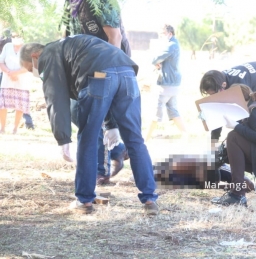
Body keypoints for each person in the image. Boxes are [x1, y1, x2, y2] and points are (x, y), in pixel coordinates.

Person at [19, 34, 159, 215]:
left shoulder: (49, 53)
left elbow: (55, 97)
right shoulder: (71, 46)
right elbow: (108, 77)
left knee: (88, 139)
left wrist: (63, 139)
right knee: (135, 140)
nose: (35, 73)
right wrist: (111, 125)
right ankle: (149, 198)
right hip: (127, 73)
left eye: (31, 69)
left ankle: (84, 200)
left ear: (35, 56)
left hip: (99, 75)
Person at [60, 0, 131, 183]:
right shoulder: (70, 1)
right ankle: (117, 149)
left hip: (106, 65)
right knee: (76, 111)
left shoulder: (102, 0)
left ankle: (101, 169)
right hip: (81, 66)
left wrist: (106, 73)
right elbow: (66, 35)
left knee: (92, 116)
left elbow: (115, 37)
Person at [145, 24, 187, 141]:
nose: (161, 36)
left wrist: (156, 62)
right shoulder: (174, 44)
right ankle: (185, 136)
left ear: (170, 33)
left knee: (156, 113)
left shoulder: (171, 45)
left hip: (167, 85)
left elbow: (155, 58)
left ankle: (145, 140)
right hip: (173, 84)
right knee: (173, 111)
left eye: (162, 34)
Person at [0, 29, 35, 131]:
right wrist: (8, 72)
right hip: (7, 80)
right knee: (2, 105)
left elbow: (29, 65)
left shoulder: (28, 49)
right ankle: (2, 128)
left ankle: (15, 128)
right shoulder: (7, 47)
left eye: (18, 36)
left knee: (20, 106)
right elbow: (1, 61)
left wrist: (16, 73)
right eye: (13, 36)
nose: (15, 38)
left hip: (22, 81)